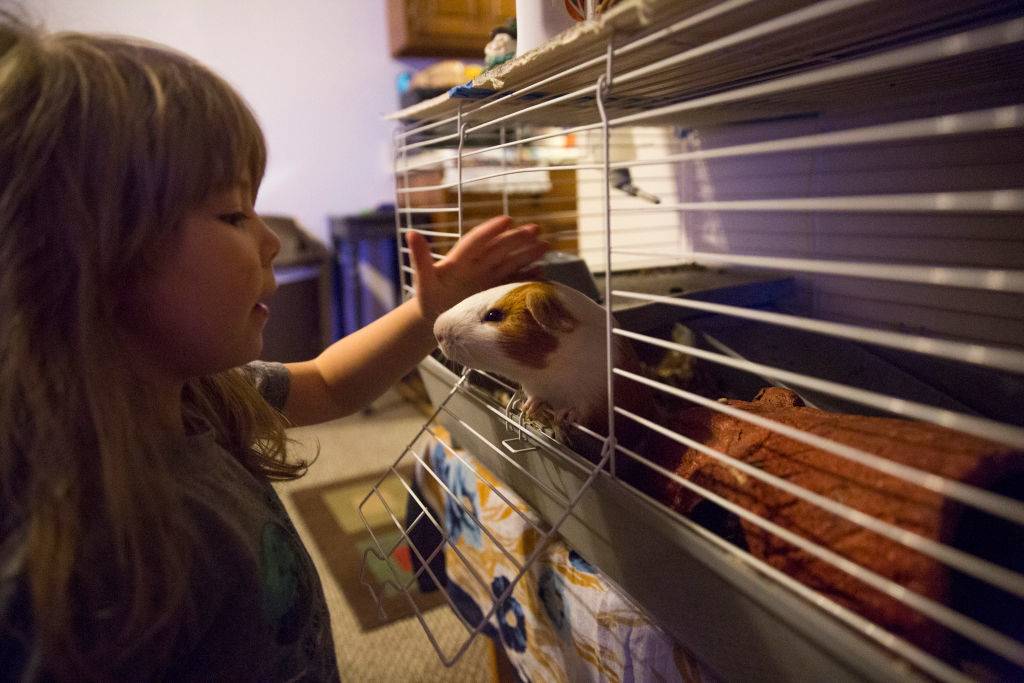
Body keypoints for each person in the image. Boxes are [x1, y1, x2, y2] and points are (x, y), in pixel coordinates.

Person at [0, 13, 547, 681]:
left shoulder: (202, 391)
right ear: (97, 260)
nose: (269, 241)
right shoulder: (87, 557)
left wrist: (426, 311)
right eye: (233, 214)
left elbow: (327, 379)